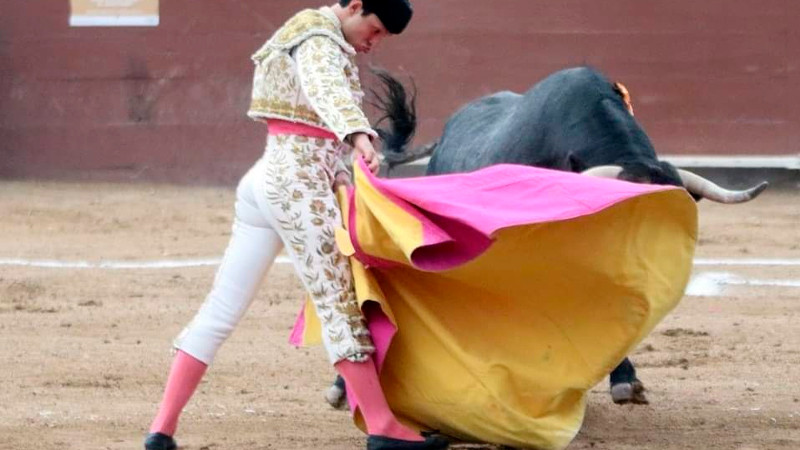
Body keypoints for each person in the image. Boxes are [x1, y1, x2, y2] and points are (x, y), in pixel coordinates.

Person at [143, 1, 448, 449]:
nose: (374, 42)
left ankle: (161, 429)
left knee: (221, 309)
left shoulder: (309, 32)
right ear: (355, 6)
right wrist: (359, 134)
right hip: (297, 186)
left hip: (267, 178)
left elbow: (309, 122)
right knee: (338, 302)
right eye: (375, 29)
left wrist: (341, 169)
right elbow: (326, 88)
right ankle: (382, 427)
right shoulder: (319, 37)